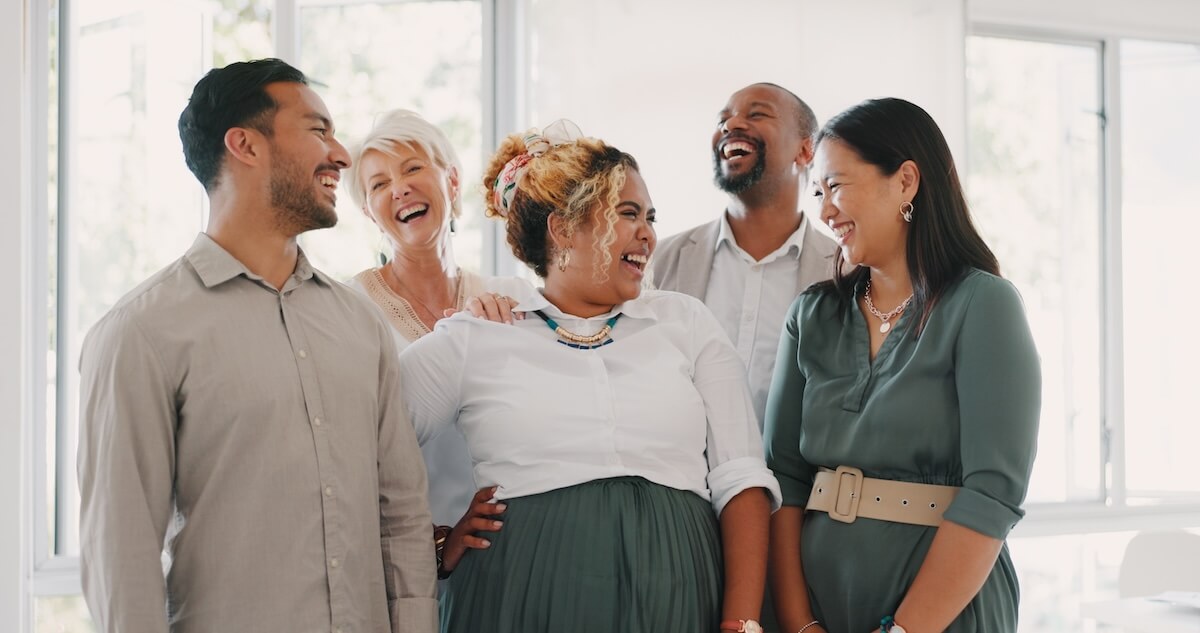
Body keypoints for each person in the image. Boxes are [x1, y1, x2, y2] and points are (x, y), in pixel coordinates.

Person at [76, 59, 437, 633]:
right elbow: (121, 553)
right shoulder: (139, 334)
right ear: (244, 144)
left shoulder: (361, 326)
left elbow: (401, 517)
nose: (341, 155)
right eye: (318, 130)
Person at [398, 122, 781, 633]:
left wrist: (743, 621)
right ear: (562, 228)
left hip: (679, 594)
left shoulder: (686, 323)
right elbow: (357, 449)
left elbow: (741, 476)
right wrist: (435, 543)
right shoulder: (477, 334)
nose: (647, 233)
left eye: (650, 217)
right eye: (627, 214)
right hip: (519, 596)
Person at [763, 98, 1041, 633]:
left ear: (906, 181)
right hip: (817, 610)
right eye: (817, 193)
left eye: (836, 186)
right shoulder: (811, 316)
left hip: (944, 615)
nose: (823, 211)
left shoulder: (984, 305)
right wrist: (800, 625)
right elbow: (785, 481)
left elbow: (993, 494)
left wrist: (906, 630)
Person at [652, 82, 838, 429]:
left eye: (757, 114)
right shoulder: (658, 261)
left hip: (793, 480)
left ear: (805, 150)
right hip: (676, 478)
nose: (731, 125)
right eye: (723, 119)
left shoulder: (847, 273)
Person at [343, 108, 496, 530]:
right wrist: (441, 543)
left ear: (452, 180)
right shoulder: (349, 310)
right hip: (409, 557)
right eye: (379, 184)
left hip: (508, 546)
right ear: (368, 212)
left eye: (413, 168)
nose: (400, 189)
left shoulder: (501, 300)